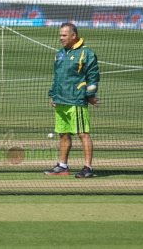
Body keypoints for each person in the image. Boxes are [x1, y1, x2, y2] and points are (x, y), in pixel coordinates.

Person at [44, 23, 100, 178]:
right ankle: (62, 166)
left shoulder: (86, 53)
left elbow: (93, 77)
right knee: (63, 134)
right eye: (60, 35)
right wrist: (53, 95)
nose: (60, 38)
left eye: (64, 35)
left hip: (76, 100)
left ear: (73, 36)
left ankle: (88, 168)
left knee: (83, 134)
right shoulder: (60, 53)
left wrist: (90, 95)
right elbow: (57, 77)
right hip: (61, 100)